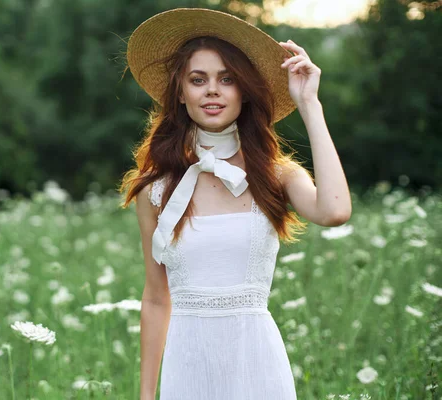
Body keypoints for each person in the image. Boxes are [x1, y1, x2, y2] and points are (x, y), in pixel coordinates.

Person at [118, 8, 352, 400]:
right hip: (187, 368)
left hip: (257, 365)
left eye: (227, 79)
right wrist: (146, 395)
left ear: (243, 90)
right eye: (198, 80)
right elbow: (157, 298)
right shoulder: (156, 190)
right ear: (180, 92)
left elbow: (334, 210)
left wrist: (311, 104)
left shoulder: (276, 175)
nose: (213, 90)